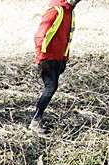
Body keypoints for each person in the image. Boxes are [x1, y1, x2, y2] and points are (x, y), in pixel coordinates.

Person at [30, 0, 81, 133]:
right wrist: (41, 59)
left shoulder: (70, 13)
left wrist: (64, 59)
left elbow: (67, 38)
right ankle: (35, 122)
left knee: (51, 88)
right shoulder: (55, 11)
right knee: (50, 88)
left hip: (58, 59)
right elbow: (39, 36)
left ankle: (38, 119)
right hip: (47, 59)